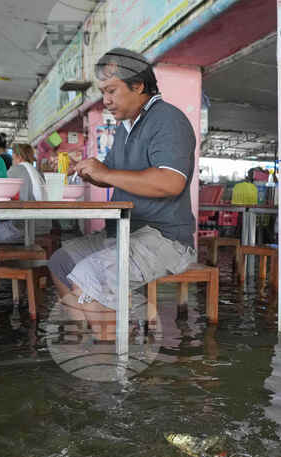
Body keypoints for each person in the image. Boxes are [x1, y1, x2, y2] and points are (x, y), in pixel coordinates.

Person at [51, 47, 195, 334]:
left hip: (164, 239)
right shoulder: (125, 128)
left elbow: (170, 182)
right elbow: (114, 177)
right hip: (125, 232)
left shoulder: (167, 119)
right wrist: (91, 170)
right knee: (61, 262)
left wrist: (106, 172)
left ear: (138, 85)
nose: (106, 100)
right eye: (103, 92)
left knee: (91, 274)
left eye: (111, 91)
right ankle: (100, 333)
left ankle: (108, 358)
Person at [0, 143, 51, 244]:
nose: (13, 162)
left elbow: (1, 194)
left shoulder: (15, 170)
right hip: (44, 226)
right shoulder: (38, 173)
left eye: (13, 159)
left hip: (24, 228)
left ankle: (10, 258)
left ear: (19, 157)